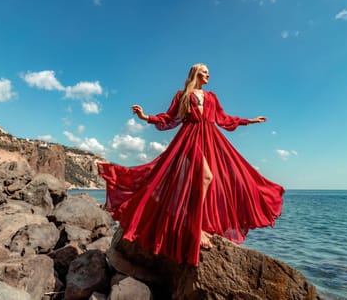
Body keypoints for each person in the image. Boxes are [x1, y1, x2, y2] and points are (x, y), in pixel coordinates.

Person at [98, 63, 284, 266]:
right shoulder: (182, 95)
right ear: (195, 73)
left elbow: (223, 118)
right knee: (206, 177)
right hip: (190, 139)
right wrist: (145, 117)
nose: (208, 75)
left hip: (211, 140)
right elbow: (169, 118)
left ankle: (199, 223)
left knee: (231, 176)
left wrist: (249, 121)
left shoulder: (212, 96)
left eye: (209, 73)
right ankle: (196, 227)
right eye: (204, 72)